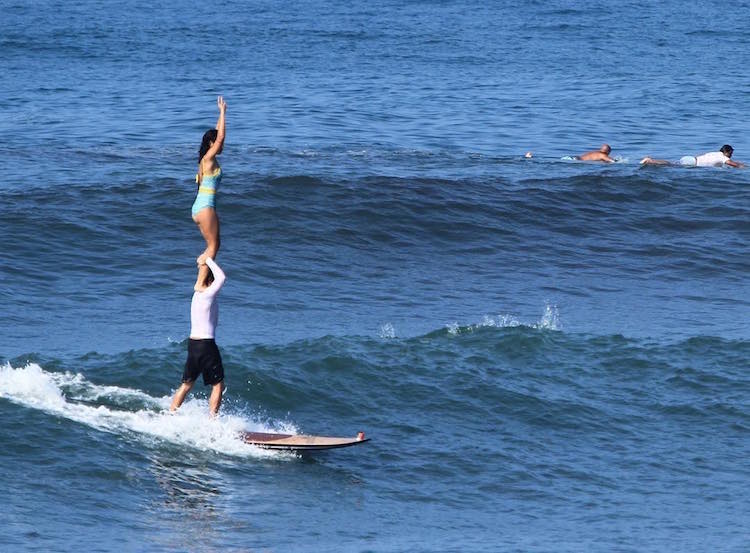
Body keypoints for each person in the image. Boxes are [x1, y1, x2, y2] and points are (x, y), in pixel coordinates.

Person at [170, 256, 227, 416]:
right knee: (217, 385)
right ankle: (212, 420)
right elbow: (221, 277)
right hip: (206, 344)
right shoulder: (207, 295)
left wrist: (203, 266)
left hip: (193, 344)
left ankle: (171, 414)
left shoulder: (196, 296)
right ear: (210, 281)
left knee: (187, 384)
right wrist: (208, 259)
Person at [192, 96, 227, 291]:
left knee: (214, 245)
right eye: (216, 143)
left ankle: (204, 274)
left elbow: (216, 136)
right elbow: (219, 138)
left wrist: (218, 117)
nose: (221, 146)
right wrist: (223, 112)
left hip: (199, 207)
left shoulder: (203, 161)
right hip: (205, 207)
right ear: (211, 143)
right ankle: (200, 283)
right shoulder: (208, 159)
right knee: (213, 247)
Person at [640, 145, 745, 168]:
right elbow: (733, 164)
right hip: (692, 162)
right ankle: (650, 160)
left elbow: (702, 155)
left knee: (671, 163)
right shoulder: (723, 157)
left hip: (691, 159)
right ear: (727, 151)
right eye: (731, 153)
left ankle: (651, 160)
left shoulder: (715, 153)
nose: (731, 155)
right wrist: (744, 167)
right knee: (669, 164)